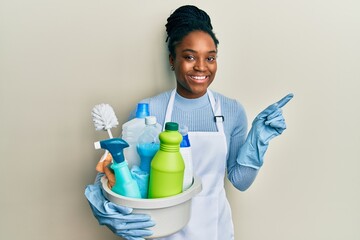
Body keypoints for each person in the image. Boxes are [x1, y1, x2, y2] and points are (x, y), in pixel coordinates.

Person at [85, 5, 293, 240]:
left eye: (210, 57)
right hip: (160, 231)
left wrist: (258, 138)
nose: (201, 67)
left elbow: (240, 181)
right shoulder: (149, 110)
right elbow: (119, 170)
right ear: (172, 60)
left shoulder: (232, 110)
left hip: (214, 230)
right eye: (190, 56)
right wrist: (105, 209)